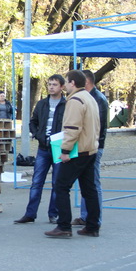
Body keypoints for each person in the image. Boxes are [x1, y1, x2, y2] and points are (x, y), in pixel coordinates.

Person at [45, 70, 101, 238]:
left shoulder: (75, 100)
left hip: (78, 151)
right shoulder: (89, 97)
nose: (66, 85)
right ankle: (92, 226)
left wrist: (65, 151)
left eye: (67, 82)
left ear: (72, 83)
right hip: (90, 149)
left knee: (61, 187)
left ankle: (63, 226)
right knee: (89, 189)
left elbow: (72, 128)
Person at [14, 74, 66, 224]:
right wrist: (37, 135)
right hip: (43, 148)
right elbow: (33, 122)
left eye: (54, 84)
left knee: (57, 182)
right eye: (49, 84)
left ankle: (53, 214)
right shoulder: (42, 104)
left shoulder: (66, 104)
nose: (51, 87)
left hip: (58, 147)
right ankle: (30, 213)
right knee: (37, 181)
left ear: (61, 87)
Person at [72, 70, 108, 227]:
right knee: (87, 183)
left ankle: (93, 218)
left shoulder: (96, 98)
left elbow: (95, 126)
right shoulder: (91, 97)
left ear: (86, 82)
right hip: (88, 145)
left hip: (93, 146)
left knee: (92, 183)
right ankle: (86, 216)